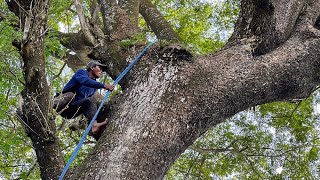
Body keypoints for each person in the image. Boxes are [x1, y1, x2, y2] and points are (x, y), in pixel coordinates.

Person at [53, 60, 114, 140]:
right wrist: (103, 85)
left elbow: (88, 106)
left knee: (90, 100)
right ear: (92, 67)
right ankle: (50, 107)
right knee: (71, 95)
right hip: (63, 103)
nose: (101, 71)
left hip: (72, 111)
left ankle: (94, 125)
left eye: (103, 70)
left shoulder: (93, 88)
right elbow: (85, 81)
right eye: (100, 68)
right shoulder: (82, 72)